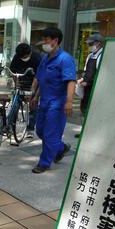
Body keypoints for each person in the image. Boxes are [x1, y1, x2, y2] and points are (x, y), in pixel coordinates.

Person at [31, 27, 76, 174]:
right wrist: (36, 96)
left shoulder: (65, 59)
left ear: (56, 41)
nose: (44, 43)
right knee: (40, 130)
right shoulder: (45, 58)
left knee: (50, 134)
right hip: (44, 101)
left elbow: (70, 81)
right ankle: (61, 148)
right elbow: (41, 79)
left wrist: (69, 102)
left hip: (57, 103)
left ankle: (44, 163)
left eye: (46, 40)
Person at [75, 33, 104, 138]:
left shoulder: (102, 56)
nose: (90, 46)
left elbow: (100, 74)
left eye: (91, 43)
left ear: (99, 43)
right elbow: (86, 71)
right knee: (84, 109)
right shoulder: (90, 56)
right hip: (86, 87)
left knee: (92, 111)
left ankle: (92, 132)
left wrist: (88, 82)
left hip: (95, 88)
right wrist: (82, 79)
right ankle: (84, 131)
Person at [9, 42, 41, 138]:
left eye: (25, 56)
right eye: (21, 57)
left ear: (30, 53)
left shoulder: (36, 58)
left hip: (33, 83)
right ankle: (10, 126)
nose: (23, 58)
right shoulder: (17, 57)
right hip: (21, 82)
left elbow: (37, 76)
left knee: (33, 106)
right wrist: (17, 83)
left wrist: (31, 92)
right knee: (14, 106)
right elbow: (13, 72)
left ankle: (30, 128)